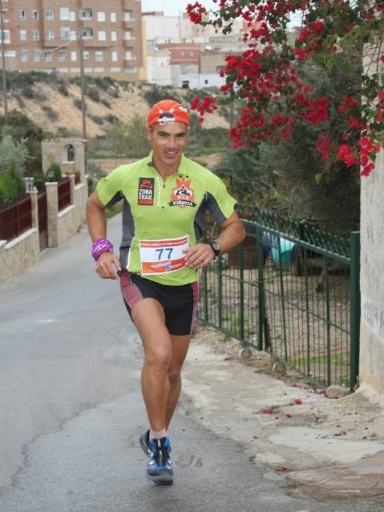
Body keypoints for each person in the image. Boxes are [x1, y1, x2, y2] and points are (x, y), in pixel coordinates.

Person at [86, 99, 245, 485]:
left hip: (183, 283)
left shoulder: (203, 180)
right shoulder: (126, 176)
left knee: (172, 370)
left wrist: (213, 246)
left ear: (187, 137)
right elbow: (94, 205)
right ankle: (160, 444)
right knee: (157, 354)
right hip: (138, 276)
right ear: (150, 135)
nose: (171, 144)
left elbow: (235, 227)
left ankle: (153, 431)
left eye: (179, 136)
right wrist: (101, 248)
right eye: (163, 135)